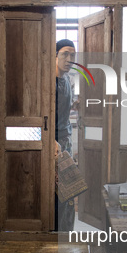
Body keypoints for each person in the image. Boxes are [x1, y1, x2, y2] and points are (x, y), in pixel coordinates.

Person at [55, 39, 76, 231]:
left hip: (66, 141)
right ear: (55, 57)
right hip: (53, 143)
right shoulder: (49, 82)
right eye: (65, 54)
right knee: (59, 191)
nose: (69, 59)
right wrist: (52, 141)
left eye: (73, 55)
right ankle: (56, 234)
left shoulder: (68, 80)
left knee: (69, 190)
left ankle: (66, 233)